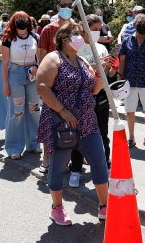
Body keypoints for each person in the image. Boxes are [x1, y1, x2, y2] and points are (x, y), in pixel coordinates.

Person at [36, 22, 108, 225]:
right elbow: (42, 87)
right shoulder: (53, 58)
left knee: (99, 162)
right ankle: (56, 208)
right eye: (77, 34)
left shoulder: (82, 60)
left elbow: (93, 90)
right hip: (62, 123)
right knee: (58, 166)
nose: (82, 37)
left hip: (87, 121)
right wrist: (63, 111)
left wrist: (101, 74)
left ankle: (104, 206)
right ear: (65, 39)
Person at [69, 14, 116, 187]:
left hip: (101, 95)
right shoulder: (76, 46)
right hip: (81, 95)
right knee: (78, 134)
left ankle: (106, 165)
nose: (97, 32)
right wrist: (95, 69)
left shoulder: (102, 48)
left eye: (99, 29)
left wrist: (112, 65)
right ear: (84, 27)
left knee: (102, 132)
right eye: (94, 29)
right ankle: (76, 169)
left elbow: (109, 75)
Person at [37, 0, 75, 171]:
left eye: (70, 4)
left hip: (72, 83)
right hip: (52, 85)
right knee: (49, 122)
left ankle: (66, 160)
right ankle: (46, 158)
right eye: (64, 4)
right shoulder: (48, 29)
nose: (67, 7)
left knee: (70, 123)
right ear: (58, 6)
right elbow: (41, 55)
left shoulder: (77, 29)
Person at [0, 11, 41, 159]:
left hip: (32, 74)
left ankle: (34, 143)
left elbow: (39, 58)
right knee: (17, 111)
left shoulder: (35, 36)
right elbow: (4, 63)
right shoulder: (8, 38)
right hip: (15, 74)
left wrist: (36, 66)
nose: (22, 30)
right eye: (18, 25)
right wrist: (5, 83)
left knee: (34, 108)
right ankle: (14, 147)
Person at [119, 14, 145, 149]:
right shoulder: (126, 41)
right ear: (134, 25)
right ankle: (131, 138)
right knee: (130, 111)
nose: (142, 24)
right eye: (140, 22)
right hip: (129, 81)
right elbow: (122, 61)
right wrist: (120, 80)